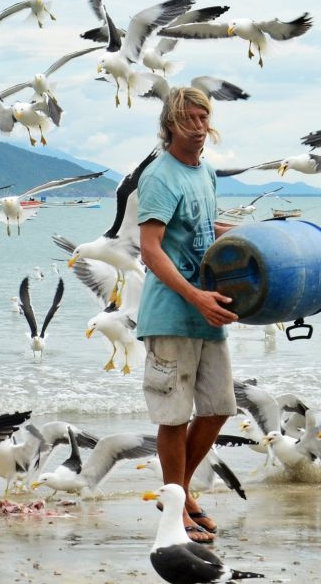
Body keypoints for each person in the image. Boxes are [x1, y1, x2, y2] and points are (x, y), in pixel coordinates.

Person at [136, 86, 238, 544]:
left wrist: (256, 232)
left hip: (207, 311)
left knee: (218, 408)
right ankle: (176, 512)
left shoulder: (206, 173)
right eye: (189, 120)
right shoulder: (160, 176)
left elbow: (202, 226)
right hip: (172, 313)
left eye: (203, 118)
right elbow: (150, 249)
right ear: (170, 125)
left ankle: (179, 492)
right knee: (174, 417)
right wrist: (195, 296)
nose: (198, 128)